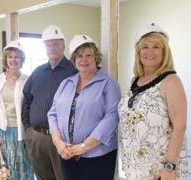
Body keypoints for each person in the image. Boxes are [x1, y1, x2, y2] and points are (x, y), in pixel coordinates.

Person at [118, 22, 189, 180]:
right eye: (145, 47)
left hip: (160, 171)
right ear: (138, 51)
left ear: (164, 51)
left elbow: (180, 127)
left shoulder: (171, 81)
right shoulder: (134, 81)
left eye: (156, 46)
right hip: (135, 168)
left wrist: (169, 168)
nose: (150, 52)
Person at [47, 34, 121, 180]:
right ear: (74, 59)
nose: (84, 59)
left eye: (89, 55)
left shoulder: (108, 83)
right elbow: (52, 114)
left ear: (96, 58)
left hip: (97, 155)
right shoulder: (66, 83)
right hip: (67, 154)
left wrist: (84, 147)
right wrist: (58, 142)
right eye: (79, 55)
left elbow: (112, 116)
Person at [22, 25, 77, 180]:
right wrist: (28, 130)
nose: (51, 47)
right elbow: (26, 100)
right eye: (48, 44)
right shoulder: (37, 72)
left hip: (62, 139)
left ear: (63, 45)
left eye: (55, 44)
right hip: (37, 137)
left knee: (64, 177)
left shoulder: (74, 71)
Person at [0, 40, 35, 180]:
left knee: (22, 167)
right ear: (6, 59)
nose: (13, 60)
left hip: (21, 133)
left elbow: (32, 107)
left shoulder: (28, 80)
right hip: (1, 132)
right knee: (3, 169)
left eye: (17, 56)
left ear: (22, 59)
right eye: (10, 57)